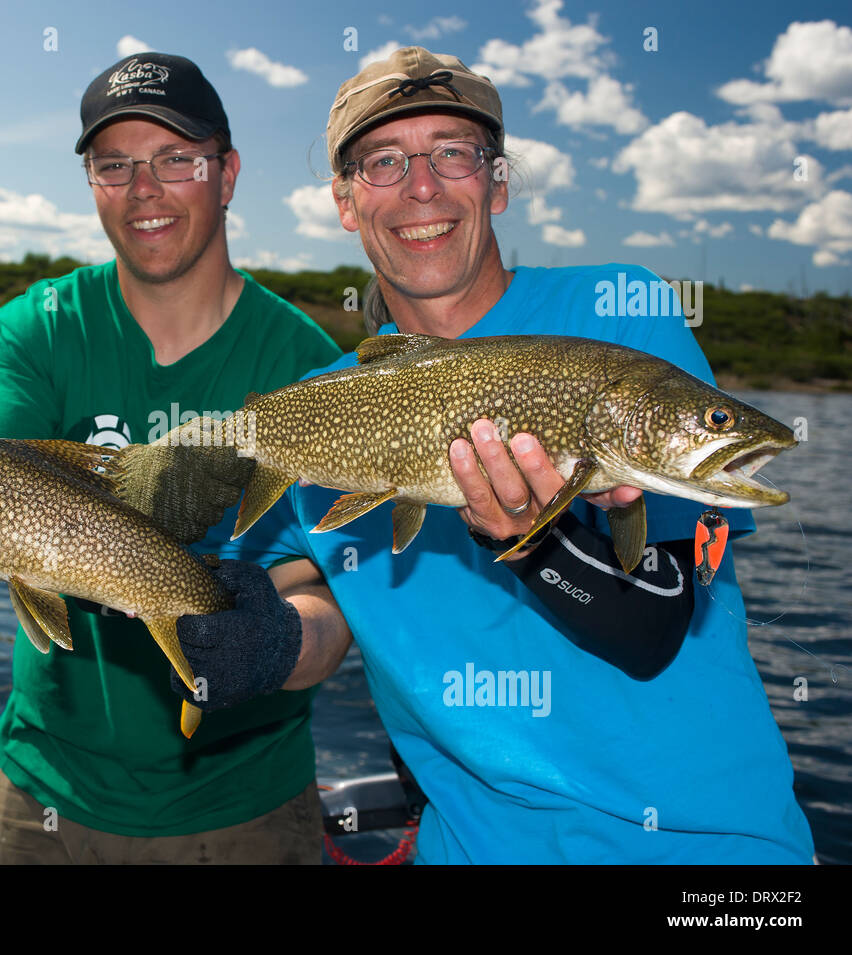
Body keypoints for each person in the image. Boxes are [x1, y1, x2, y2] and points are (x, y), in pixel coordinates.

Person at [173, 46, 815, 863]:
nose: (422, 186)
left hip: (709, 850)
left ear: (498, 182)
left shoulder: (619, 315)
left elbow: (657, 620)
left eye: (453, 153)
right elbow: (320, 606)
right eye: (383, 162)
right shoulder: (314, 413)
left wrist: (537, 539)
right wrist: (267, 643)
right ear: (343, 201)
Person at [0, 52, 341, 863]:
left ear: (227, 174)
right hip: (46, 793)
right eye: (114, 165)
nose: (143, 188)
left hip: (247, 804)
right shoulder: (33, 330)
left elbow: (326, 602)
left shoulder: (309, 364)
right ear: (91, 183)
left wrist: (280, 645)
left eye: (176, 159)